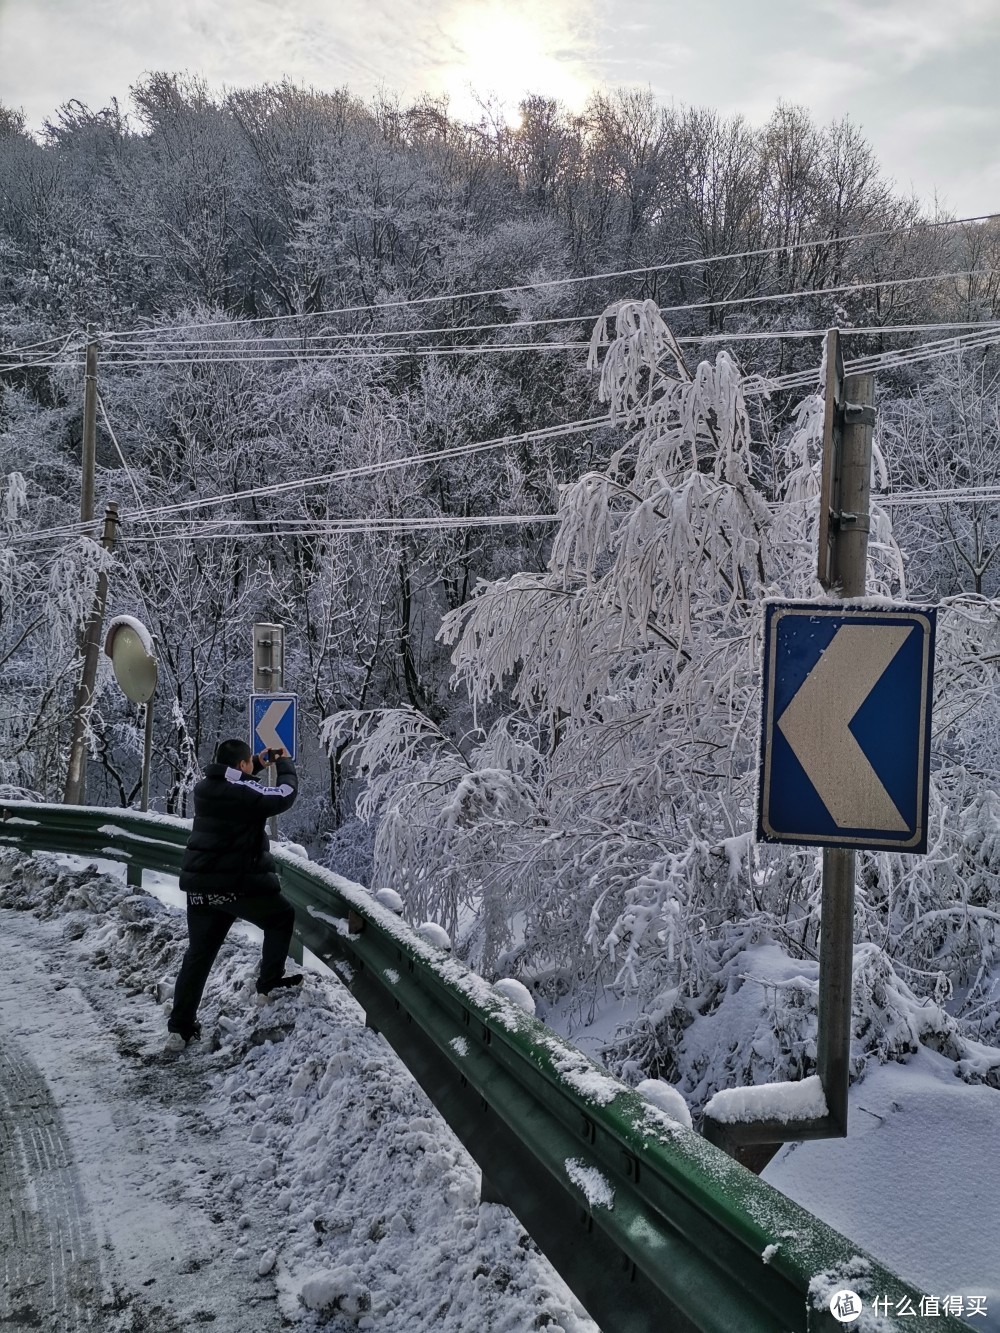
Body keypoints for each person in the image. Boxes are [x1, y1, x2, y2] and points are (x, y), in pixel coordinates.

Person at [165, 738, 302, 1054]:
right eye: (246, 764)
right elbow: (283, 795)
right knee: (281, 916)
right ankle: (268, 986)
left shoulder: (205, 787)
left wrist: (259, 760)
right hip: (235, 885)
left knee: (198, 955)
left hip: (201, 886)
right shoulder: (243, 793)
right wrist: (284, 763)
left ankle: (179, 1030)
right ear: (240, 767)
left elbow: (236, 777)